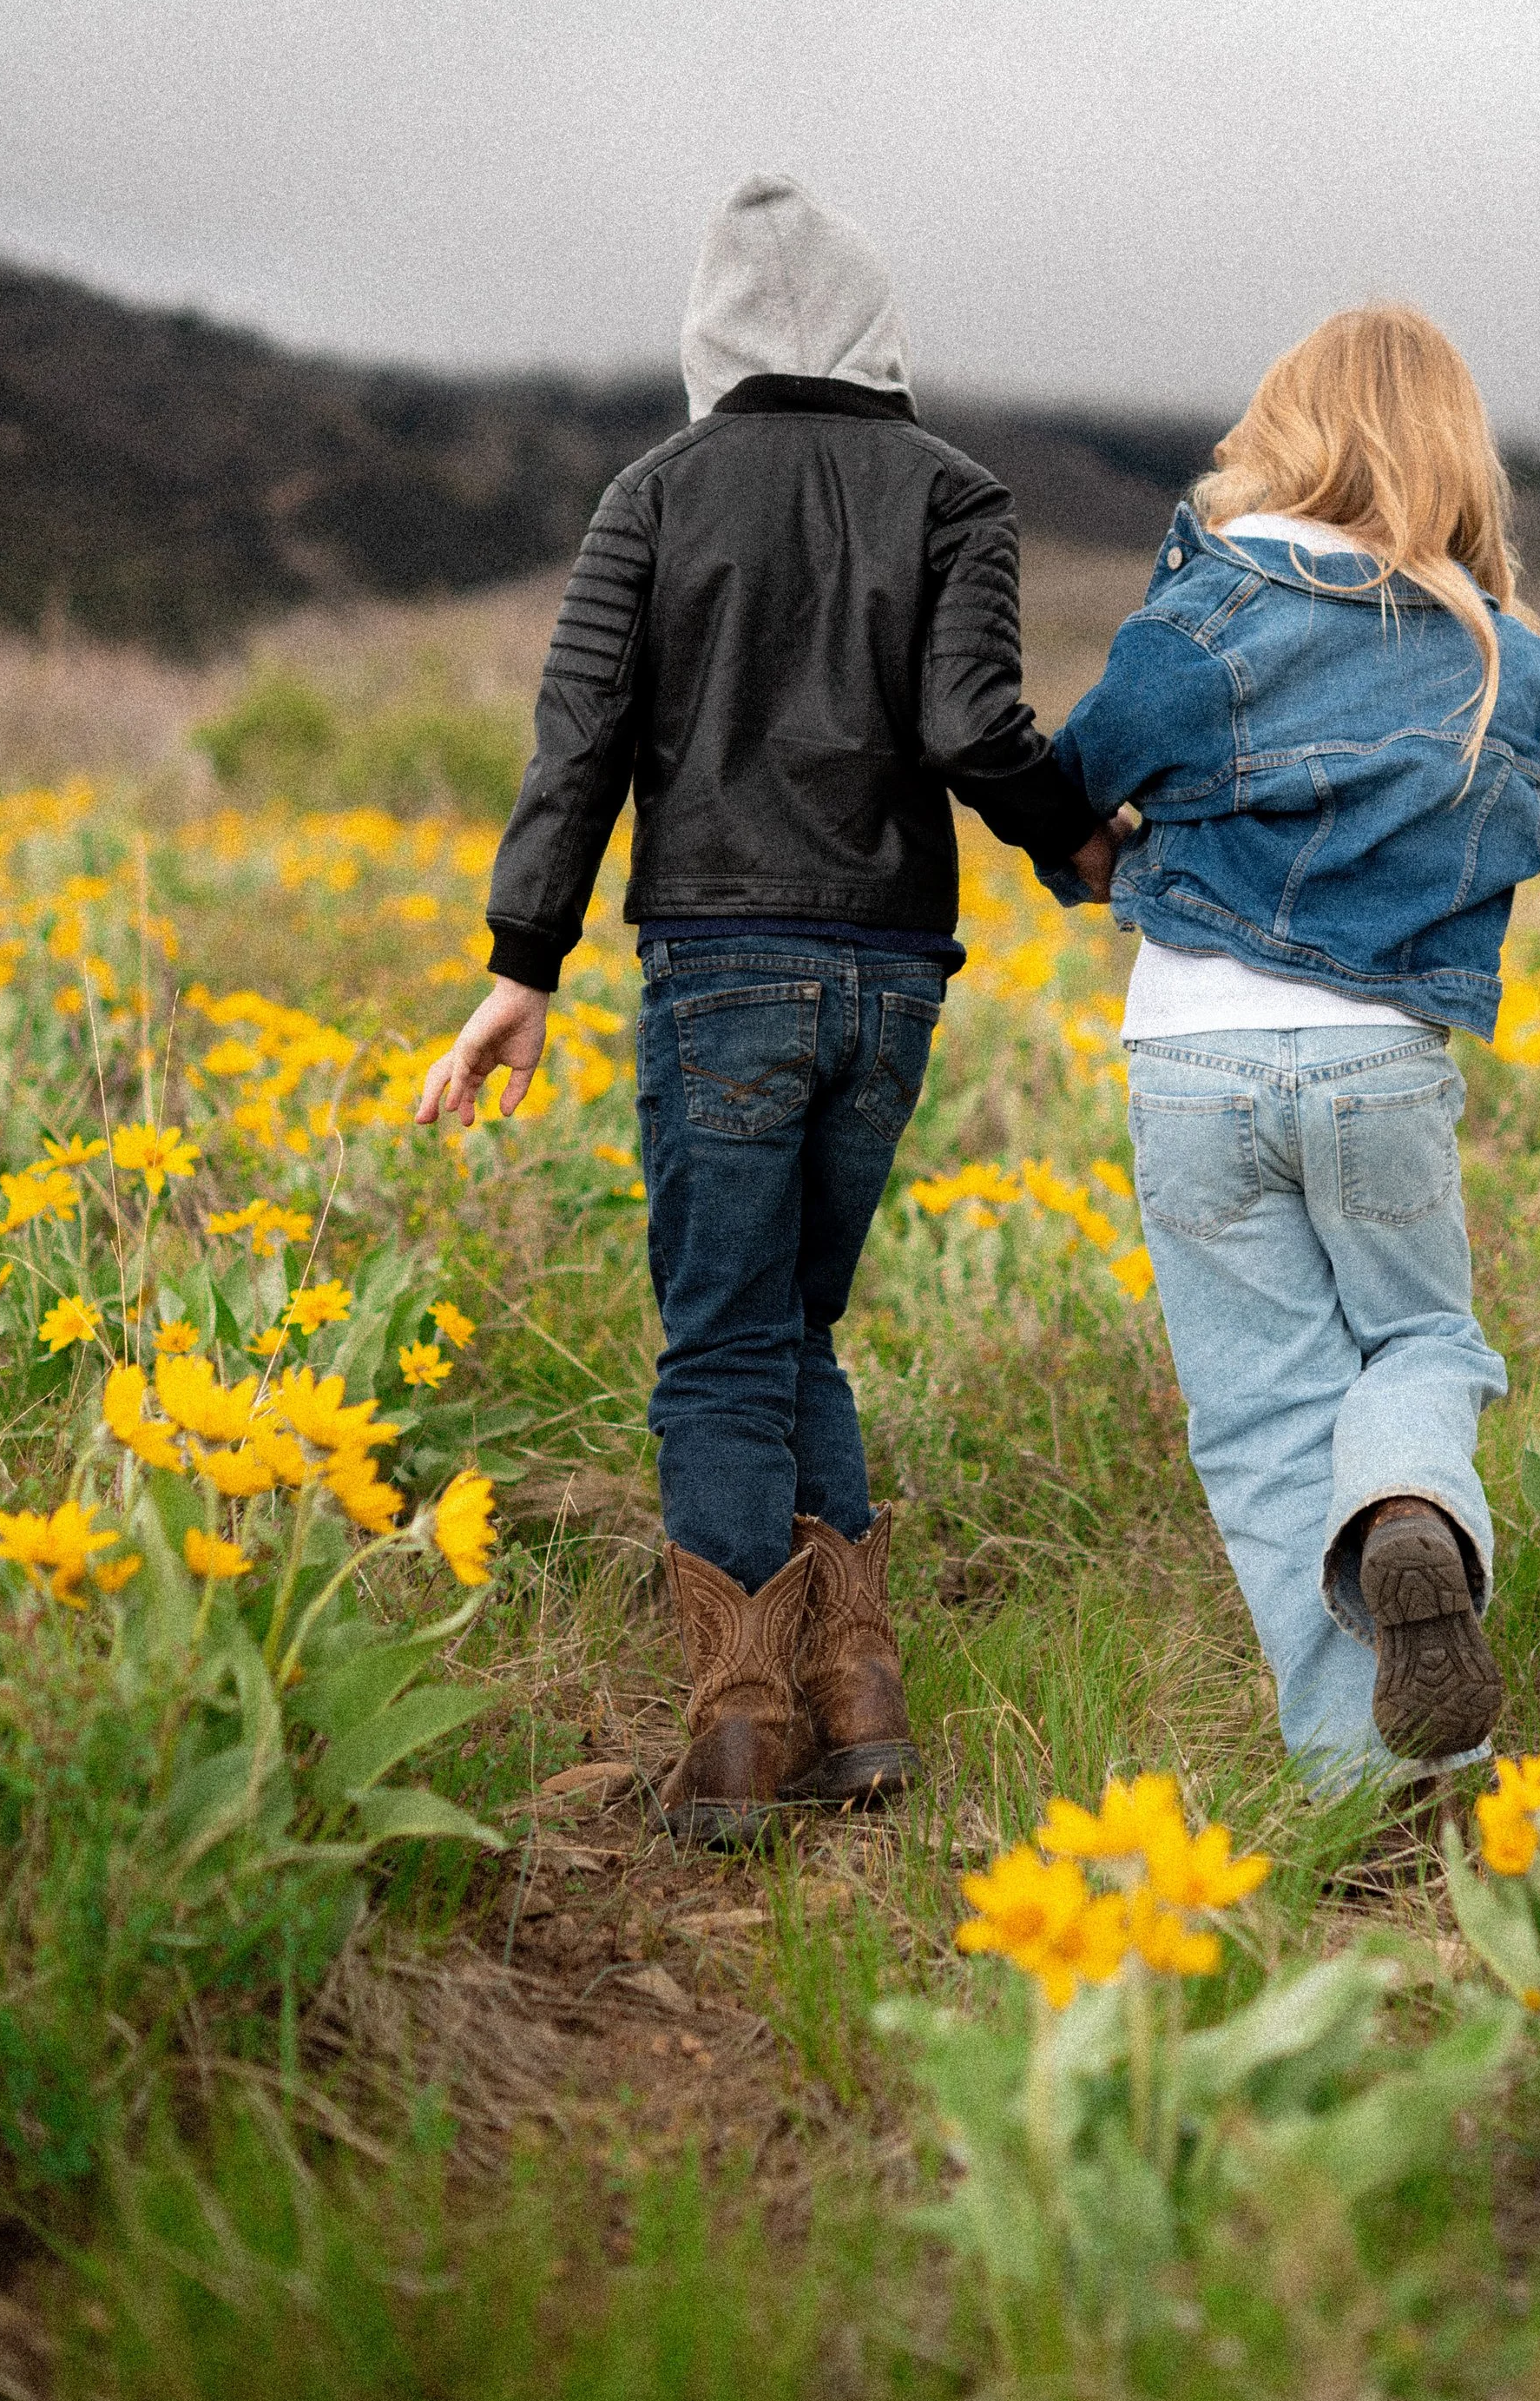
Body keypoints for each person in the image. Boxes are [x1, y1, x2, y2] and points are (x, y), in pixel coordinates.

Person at [416, 174, 1116, 1839]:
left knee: (722, 1339)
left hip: (719, 966)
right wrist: (1069, 834)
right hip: (888, 973)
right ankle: (858, 1701)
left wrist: (524, 964)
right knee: (793, 1322)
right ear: (880, 326)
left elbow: (577, 739)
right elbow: (974, 725)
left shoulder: (647, 495)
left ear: (706, 332)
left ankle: (738, 1730)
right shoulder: (960, 495)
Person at [1043, 304, 1540, 1794]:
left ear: (1286, 434)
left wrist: (1085, 865)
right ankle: (1410, 1501)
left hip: (1192, 1059)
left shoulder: (1206, 617)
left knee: (1264, 1412)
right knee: (1420, 1342)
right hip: (1385, 1067)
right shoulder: (1512, 660)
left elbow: (1082, 771)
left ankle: (1364, 1785)